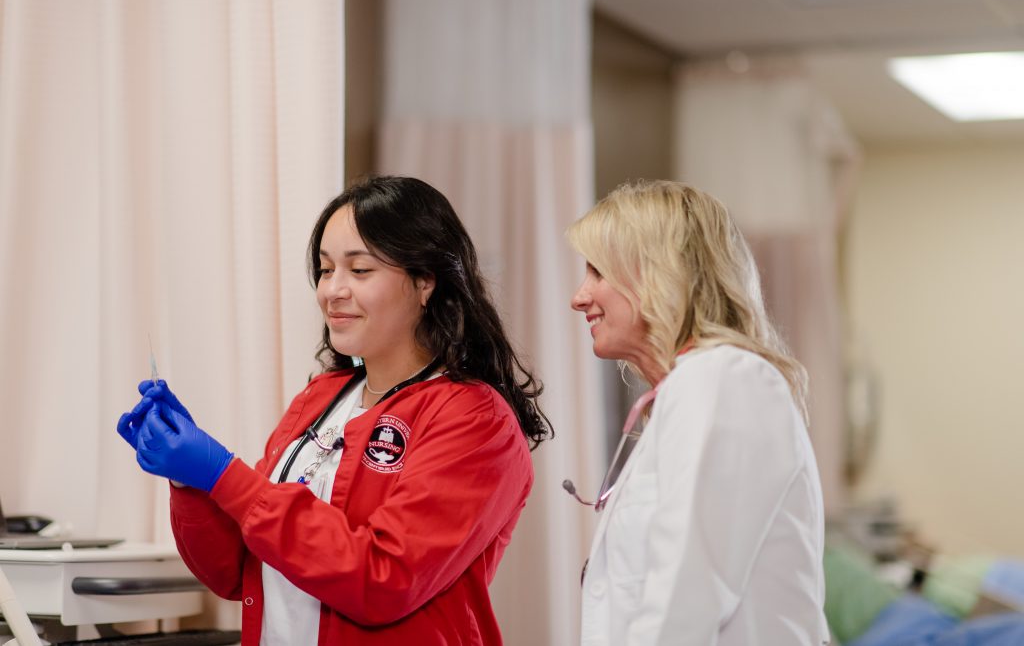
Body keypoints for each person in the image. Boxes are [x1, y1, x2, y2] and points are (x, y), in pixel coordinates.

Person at [116, 176, 550, 645]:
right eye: (325, 270)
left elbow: (382, 578)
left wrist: (224, 474)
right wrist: (189, 478)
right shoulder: (320, 399)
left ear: (425, 282)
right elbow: (233, 572)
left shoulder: (475, 420)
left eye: (359, 271)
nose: (332, 291)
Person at [564, 180, 829, 645]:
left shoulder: (724, 379)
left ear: (656, 274)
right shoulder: (689, 389)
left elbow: (685, 595)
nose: (579, 296)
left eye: (597, 272)